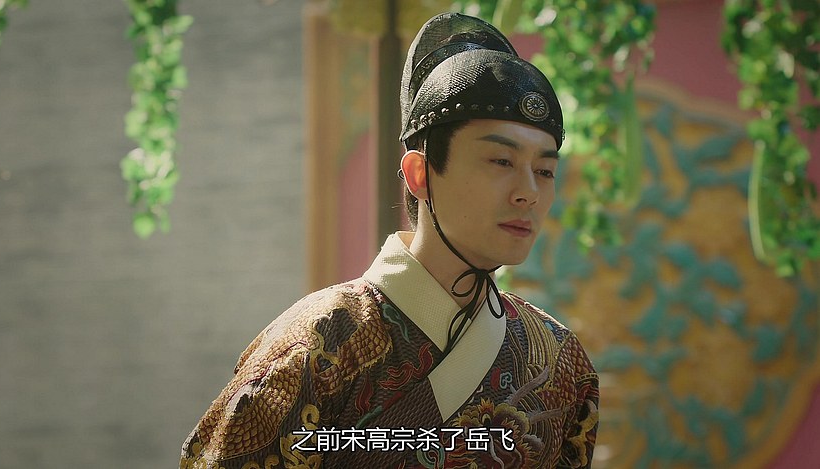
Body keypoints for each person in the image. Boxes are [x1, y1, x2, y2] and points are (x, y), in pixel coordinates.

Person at [180, 12, 599, 469]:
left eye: (545, 171)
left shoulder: (560, 360)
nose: (529, 193)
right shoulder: (318, 344)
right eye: (501, 161)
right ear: (420, 174)